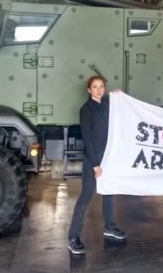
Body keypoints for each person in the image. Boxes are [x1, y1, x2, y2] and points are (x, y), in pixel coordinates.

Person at [68, 75, 126, 255]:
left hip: (108, 157)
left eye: (102, 86)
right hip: (93, 159)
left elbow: (122, 106)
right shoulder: (86, 109)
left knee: (108, 193)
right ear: (89, 90)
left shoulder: (108, 104)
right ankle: (73, 236)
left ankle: (109, 227)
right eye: (95, 87)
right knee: (86, 196)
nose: (99, 90)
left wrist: (118, 94)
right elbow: (87, 138)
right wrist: (95, 164)